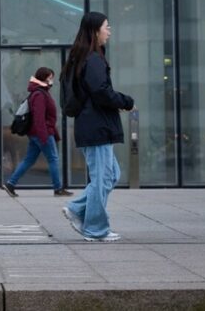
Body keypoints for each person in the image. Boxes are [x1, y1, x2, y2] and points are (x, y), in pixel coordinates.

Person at [60, 12, 134, 242]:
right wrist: (125, 101)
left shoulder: (85, 57)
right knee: (103, 178)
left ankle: (76, 207)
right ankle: (95, 229)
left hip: (95, 125)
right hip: (96, 126)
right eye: (106, 27)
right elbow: (101, 91)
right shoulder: (92, 59)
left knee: (110, 175)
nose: (109, 31)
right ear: (95, 31)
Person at [3, 67, 72, 197]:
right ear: (43, 77)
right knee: (53, 159)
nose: (51, 80)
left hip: (37, 134)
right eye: (50, 77)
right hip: (42, 133)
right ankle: (58, 189)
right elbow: (38, 118)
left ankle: (11, 184)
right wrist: (44, 136)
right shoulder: (39, 94)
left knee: (29, 160)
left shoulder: (40, 92)